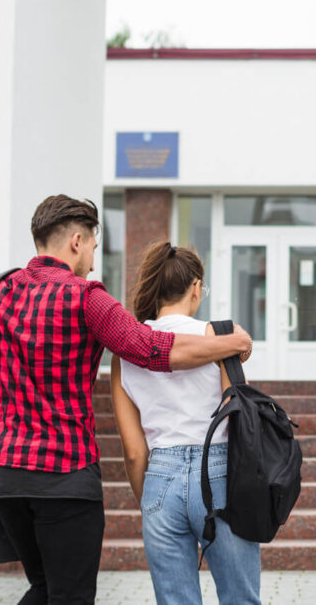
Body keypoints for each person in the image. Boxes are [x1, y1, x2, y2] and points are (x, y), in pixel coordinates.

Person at [0, 195, 253, 605]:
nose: (92, 257)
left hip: (1, 479)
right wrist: (232, 342)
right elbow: (150, 348)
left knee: (45, 588)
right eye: (92, 246)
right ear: (75, 241)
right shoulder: (86, 298)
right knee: (70, 595)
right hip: (65, 477)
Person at [110, 242, 259, 605]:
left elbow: (132, 452)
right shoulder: (220, 337)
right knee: (240, 598)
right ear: (195, 288)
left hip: (160, 477)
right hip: (221, 471)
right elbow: (236, 419)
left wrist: (148, 500)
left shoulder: (126, 351)